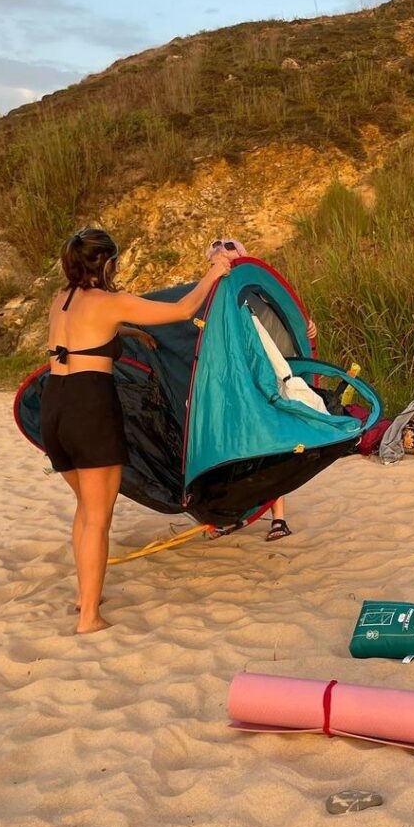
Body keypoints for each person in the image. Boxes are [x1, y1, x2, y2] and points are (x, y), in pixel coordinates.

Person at [42, 227, 233, 633]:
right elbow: (183, 310)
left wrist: (130, 333)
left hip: (54, 405)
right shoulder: (111, 301)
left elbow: (85, 339)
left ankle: (83, 597)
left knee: (85, 508)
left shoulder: (60, 301)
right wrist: (213, 273)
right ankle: (90, 618)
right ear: (107, 264)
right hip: (88, 408)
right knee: (98, 517)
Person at [206, 238, 317, 542]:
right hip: (232, 388)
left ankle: (278, 519)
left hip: (266, 380)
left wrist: (308, 328)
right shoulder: (209, 297)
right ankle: (230, 515)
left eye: (230, 260)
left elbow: (287, 325)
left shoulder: (255, 292)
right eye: (220, 262)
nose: (226, 266)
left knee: (274, 446)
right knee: (236, 450)